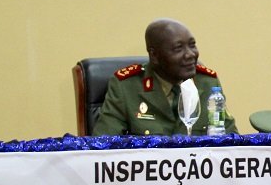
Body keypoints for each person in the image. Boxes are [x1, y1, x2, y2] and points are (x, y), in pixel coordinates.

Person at [93, 18, 238, 136]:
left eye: (192, 45)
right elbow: (103, 145)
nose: (190, 54)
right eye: (178, 48)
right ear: (154, 55)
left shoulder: (207, 83)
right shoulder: (126, 87)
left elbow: (233, 142)